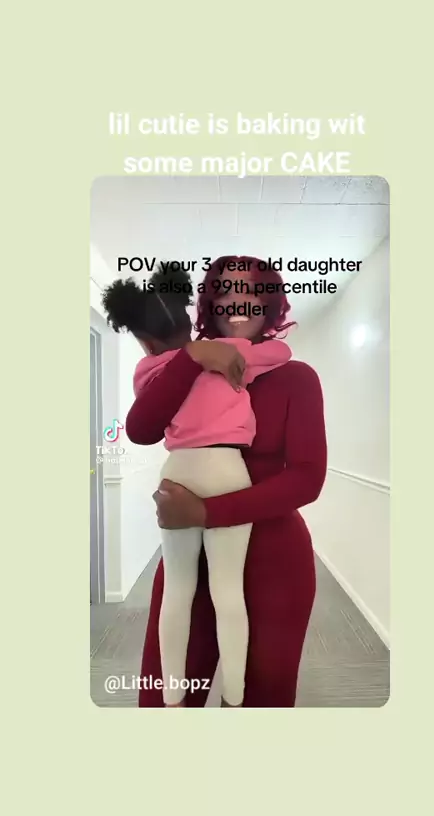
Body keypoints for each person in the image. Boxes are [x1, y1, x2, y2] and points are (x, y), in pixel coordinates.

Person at [126, 255, 328, 708]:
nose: (239, 302)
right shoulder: (183, 364)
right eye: (226, 291)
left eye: (253, 291)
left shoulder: (296, 378)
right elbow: (141, 429)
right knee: (162, 700)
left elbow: (307, 479)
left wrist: (206, 512)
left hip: (275, 564)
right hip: (188, 556)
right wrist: (194, 358)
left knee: (259, 704)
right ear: (210, 303)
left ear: (270, 304)